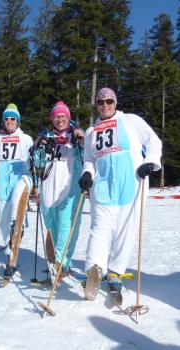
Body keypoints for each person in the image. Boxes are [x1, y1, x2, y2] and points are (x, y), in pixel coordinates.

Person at [79, 87, 162, 301]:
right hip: (103, 185)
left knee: (126, 229)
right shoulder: (91, 131)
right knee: (100, 227)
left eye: (109, 101)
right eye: (100, 102)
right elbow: (89, 158)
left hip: (131, 182)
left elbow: (153, 142)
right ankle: (94, 270)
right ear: (96, 104)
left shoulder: (131, 121)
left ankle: (115, 271)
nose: (105, 105)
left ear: (115, 103)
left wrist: (150, 162)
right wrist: (87, 173)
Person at [33, 100, 85, 279]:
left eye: (63, 116)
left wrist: (81, 139)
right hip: (49, 184)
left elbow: (88, 155)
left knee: (67, 225)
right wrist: (38, 147)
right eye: (56, 117)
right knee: (51, 225)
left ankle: (62, 262)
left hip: (70, 184)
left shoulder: (75, 134)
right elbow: (38, 163)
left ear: (68, 117)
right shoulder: (47, 136)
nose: (60, 119)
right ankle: (59, 262)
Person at [0, 103, 33, 277]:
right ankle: (10, 247)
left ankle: (11, 256)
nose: (9, 121)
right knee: (3, 221)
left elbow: (33, 158)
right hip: (2, 183)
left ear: (18, 121)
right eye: (6, 119)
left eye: (12, 119)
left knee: (16, 204)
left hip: (21, 177)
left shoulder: (26, 138)